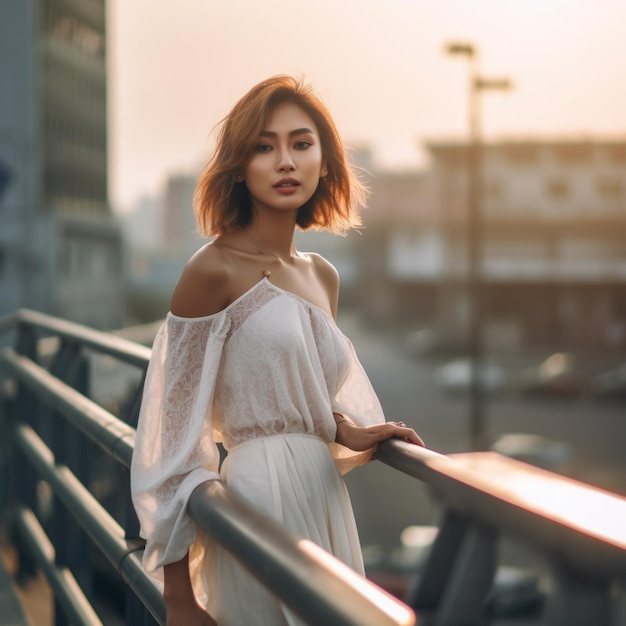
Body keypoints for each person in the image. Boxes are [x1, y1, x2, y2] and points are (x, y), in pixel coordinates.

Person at [130, 75, 425, 626]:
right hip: (256, 498)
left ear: (325, 161)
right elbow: (172, 440)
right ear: (240, 167)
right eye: (264, 147)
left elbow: (295, 382)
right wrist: (178, 598)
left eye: (301, 143)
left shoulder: (323, 275)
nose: (285, 161)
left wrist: (345, 427)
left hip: (324, 495)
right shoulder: (210, 270)